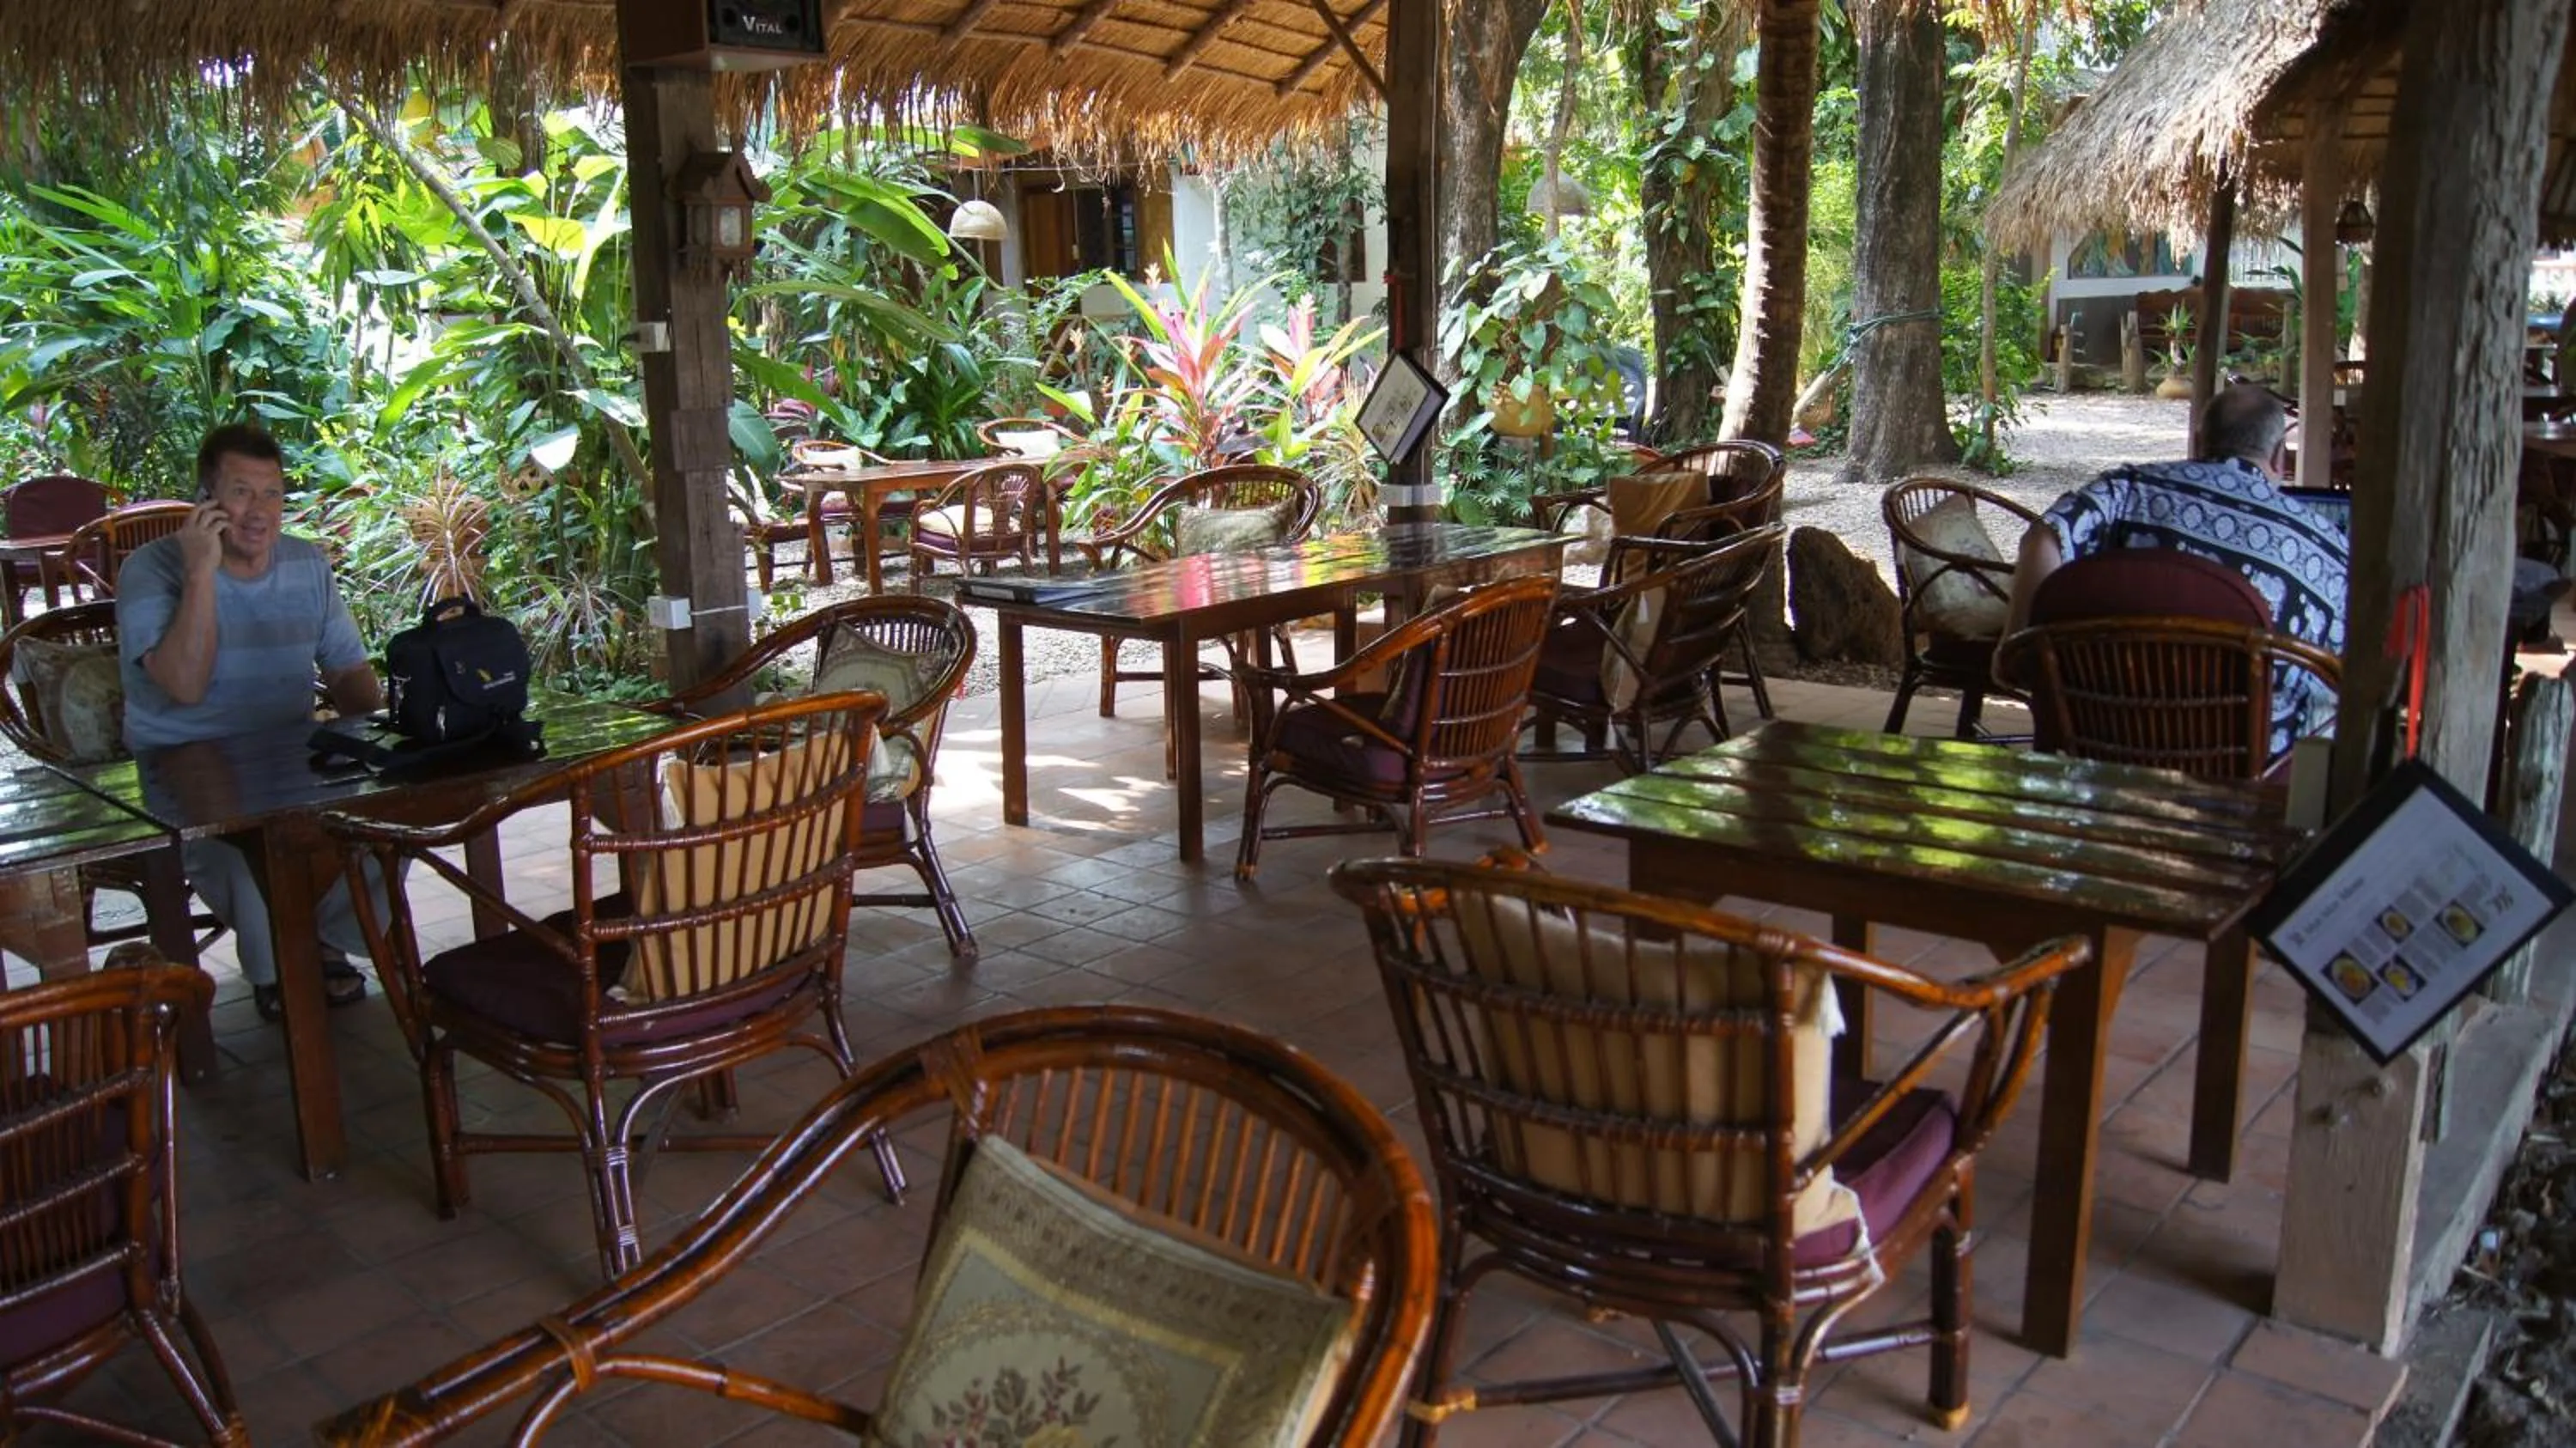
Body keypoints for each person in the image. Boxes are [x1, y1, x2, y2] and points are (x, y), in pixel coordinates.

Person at [118, 423, 384, 1020]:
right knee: (243, 852)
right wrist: (199, 574)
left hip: (288, 759)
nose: (259, 512)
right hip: (180, 767)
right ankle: (282, 969)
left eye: (272, 493)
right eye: (240, 493)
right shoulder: (150, 570)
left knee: (393, 825)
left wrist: (393, 741)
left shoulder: (306, 563)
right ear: (205, 503)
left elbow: (347, 673)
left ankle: (324, 941)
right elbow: (184, 685)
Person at [2005, 383, 2349, 759]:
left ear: (2199, 441)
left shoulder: (2127, 489)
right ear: (2280, 457)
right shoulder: (2325, 545)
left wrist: (2020, 650)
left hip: (2104, 749)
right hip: (2249, 772)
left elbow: (2044, 536)